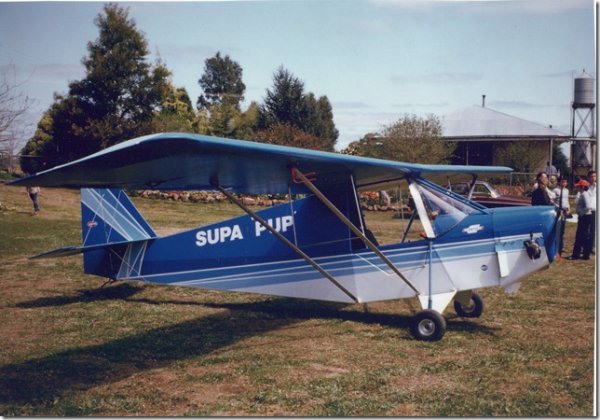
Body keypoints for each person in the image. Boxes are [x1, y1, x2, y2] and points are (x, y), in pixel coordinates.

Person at [569, 179, 593, 260]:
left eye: (579, 186)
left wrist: (581, 213)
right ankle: (583, 254)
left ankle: (578, 255)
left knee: (581, 236)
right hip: (585, 217)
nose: (577, 188)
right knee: (583, 235)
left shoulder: (584, 194)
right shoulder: (583, 194)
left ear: (582, 187)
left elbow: (588, 206)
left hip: (585, 217)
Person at [552, 176, 571, 257]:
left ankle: (561, 246)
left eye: (565, 182)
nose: (564, 183)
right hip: (558, 211)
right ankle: (556, 247)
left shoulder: (567, 191)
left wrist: (569, 208)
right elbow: (552, 200)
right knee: (557, 229)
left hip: (565, 212)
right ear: (559, 182)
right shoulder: (555, 190)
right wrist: (558, 208)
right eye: (562, 182)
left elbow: (567, 200)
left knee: (562, 230)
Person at [587, 170, 596, 254]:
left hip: (596, 211)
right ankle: (587, 247)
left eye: (594, 176)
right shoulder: (586, 187)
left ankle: (593, 247)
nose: (593, 178)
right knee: (587, 230)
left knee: (594, 230)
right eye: (592, 176)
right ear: (588, 177)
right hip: (588, 211)